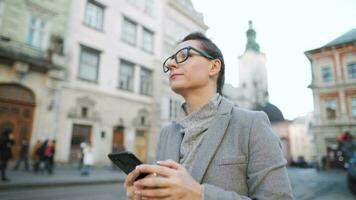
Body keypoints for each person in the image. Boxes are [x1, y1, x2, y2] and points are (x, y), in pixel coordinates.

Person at [124, 32, 293, 199]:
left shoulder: (251, 124)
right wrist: (143, 196)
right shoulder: (166, 134)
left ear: (213, 67)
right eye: (170, 60)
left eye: (184, 56)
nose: (170, 65)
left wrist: (199, 195)